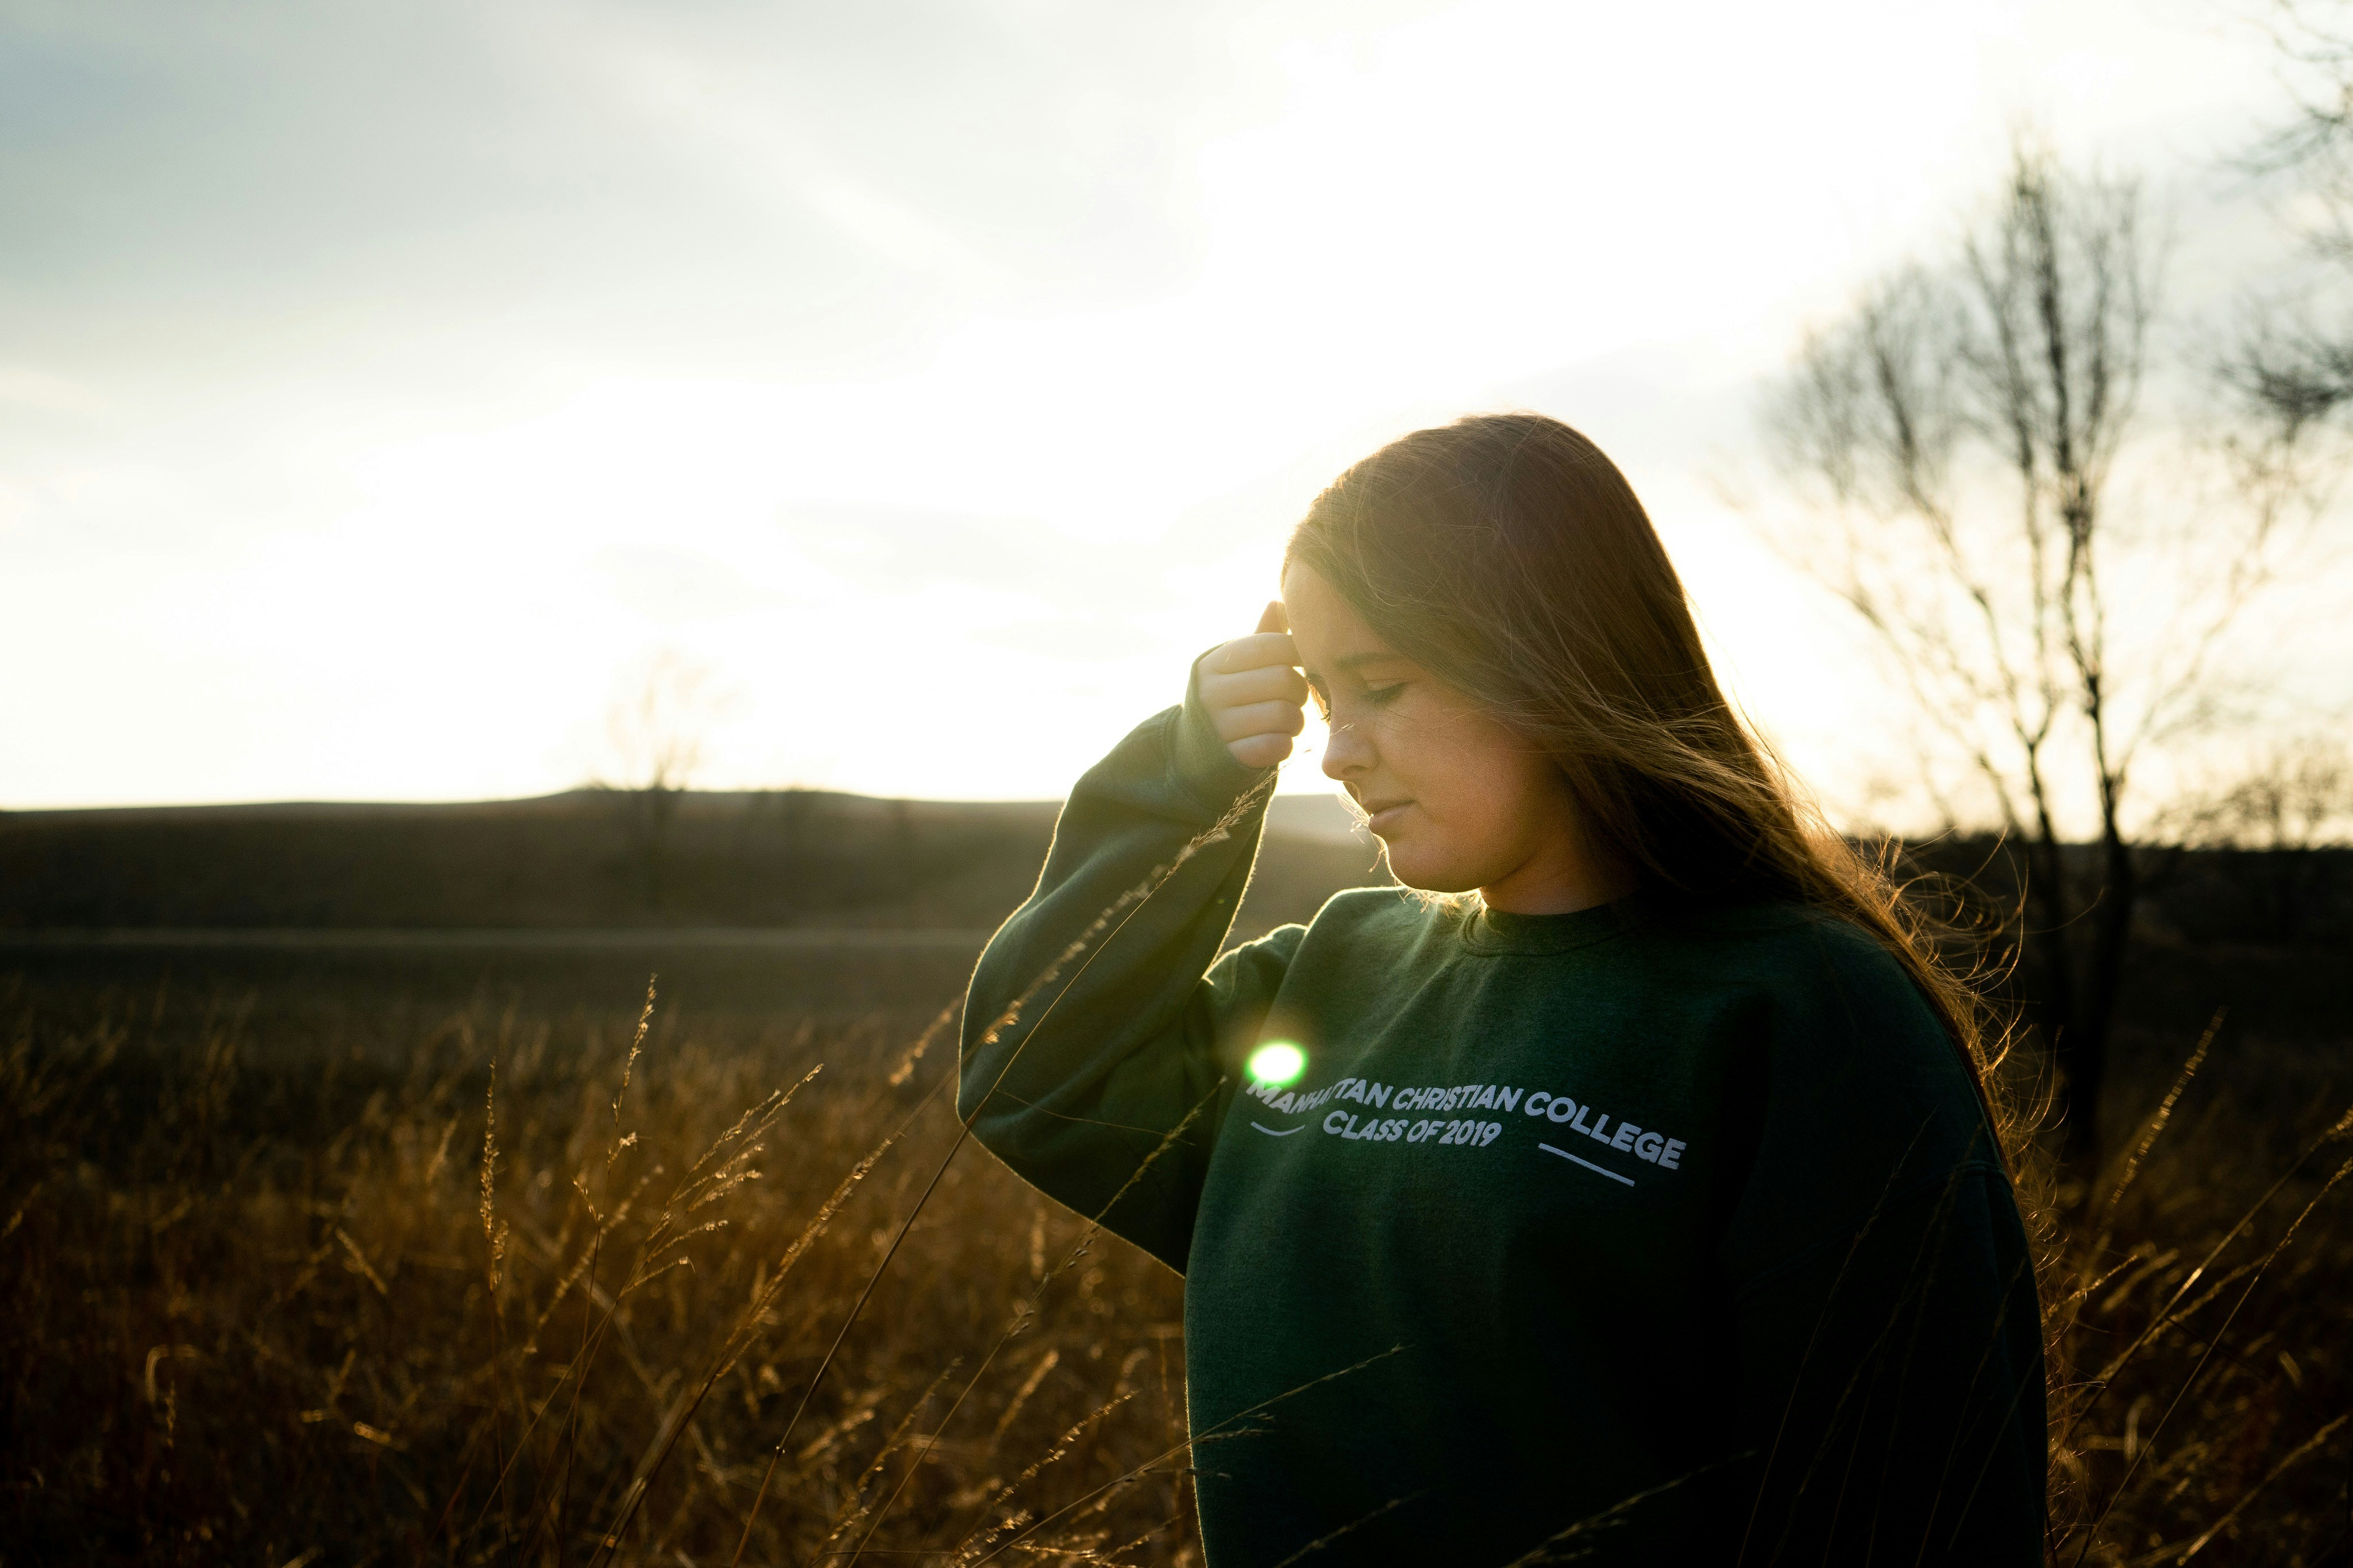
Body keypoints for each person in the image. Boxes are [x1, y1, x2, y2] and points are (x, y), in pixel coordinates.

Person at [959, 414, 2046, 1565]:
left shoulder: (1799, 1013)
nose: (1331, 755)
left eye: (1379, 684)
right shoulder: (1335, 971)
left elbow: (1912, 1504)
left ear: (1550, 657)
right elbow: (1036, 1075)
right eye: (1323, 699)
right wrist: (1185, 778)